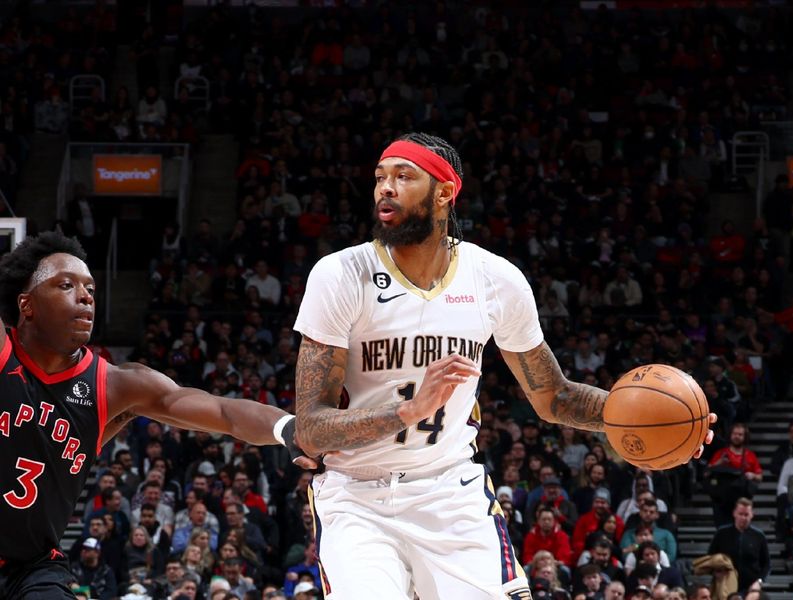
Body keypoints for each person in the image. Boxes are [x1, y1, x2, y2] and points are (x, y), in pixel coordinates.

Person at [292, 133, 716, 598]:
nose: (384, 188)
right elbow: (312, 430)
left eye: (402, 176)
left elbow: (554, 396)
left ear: (444, 193)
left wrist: (658, 423)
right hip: (357, 497)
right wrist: (404, 413)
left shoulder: (494, 279)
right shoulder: (340, 275)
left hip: (449, 492)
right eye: (379, 178)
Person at [0, 231, 313, 598]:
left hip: (34, 567)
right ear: (27, 306)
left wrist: (289, 428)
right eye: (65, 285)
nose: (85, 296)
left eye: (90, 288)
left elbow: (224, 412)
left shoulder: (116, 385)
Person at [707, 498, 770, 592]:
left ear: (752, 515)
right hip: (725, 587)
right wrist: (716, 573)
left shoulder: (759, 536)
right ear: (734, 513)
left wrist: (759, 582)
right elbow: (710, 558)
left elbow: (766, 565)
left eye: (746, 514)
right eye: (740, 514)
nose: (743, 518)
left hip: (751, 588)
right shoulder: (721, 533)